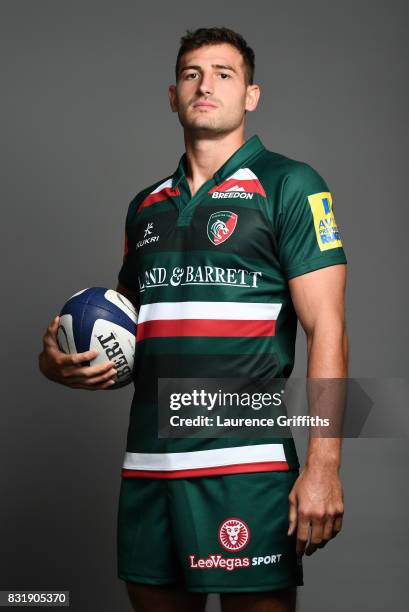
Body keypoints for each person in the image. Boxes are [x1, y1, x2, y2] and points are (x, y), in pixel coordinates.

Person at [39, 27, 347, 612]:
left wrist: (324, 466)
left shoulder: (291, 185)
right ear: (173, 96)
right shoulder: (145, 205)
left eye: (224, 74)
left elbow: (328, 327)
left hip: (246, 466)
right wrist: (57, 361)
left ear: (251, 95)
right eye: (191, 75)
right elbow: (125, 331)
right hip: (149, 465)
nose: (206, 86)